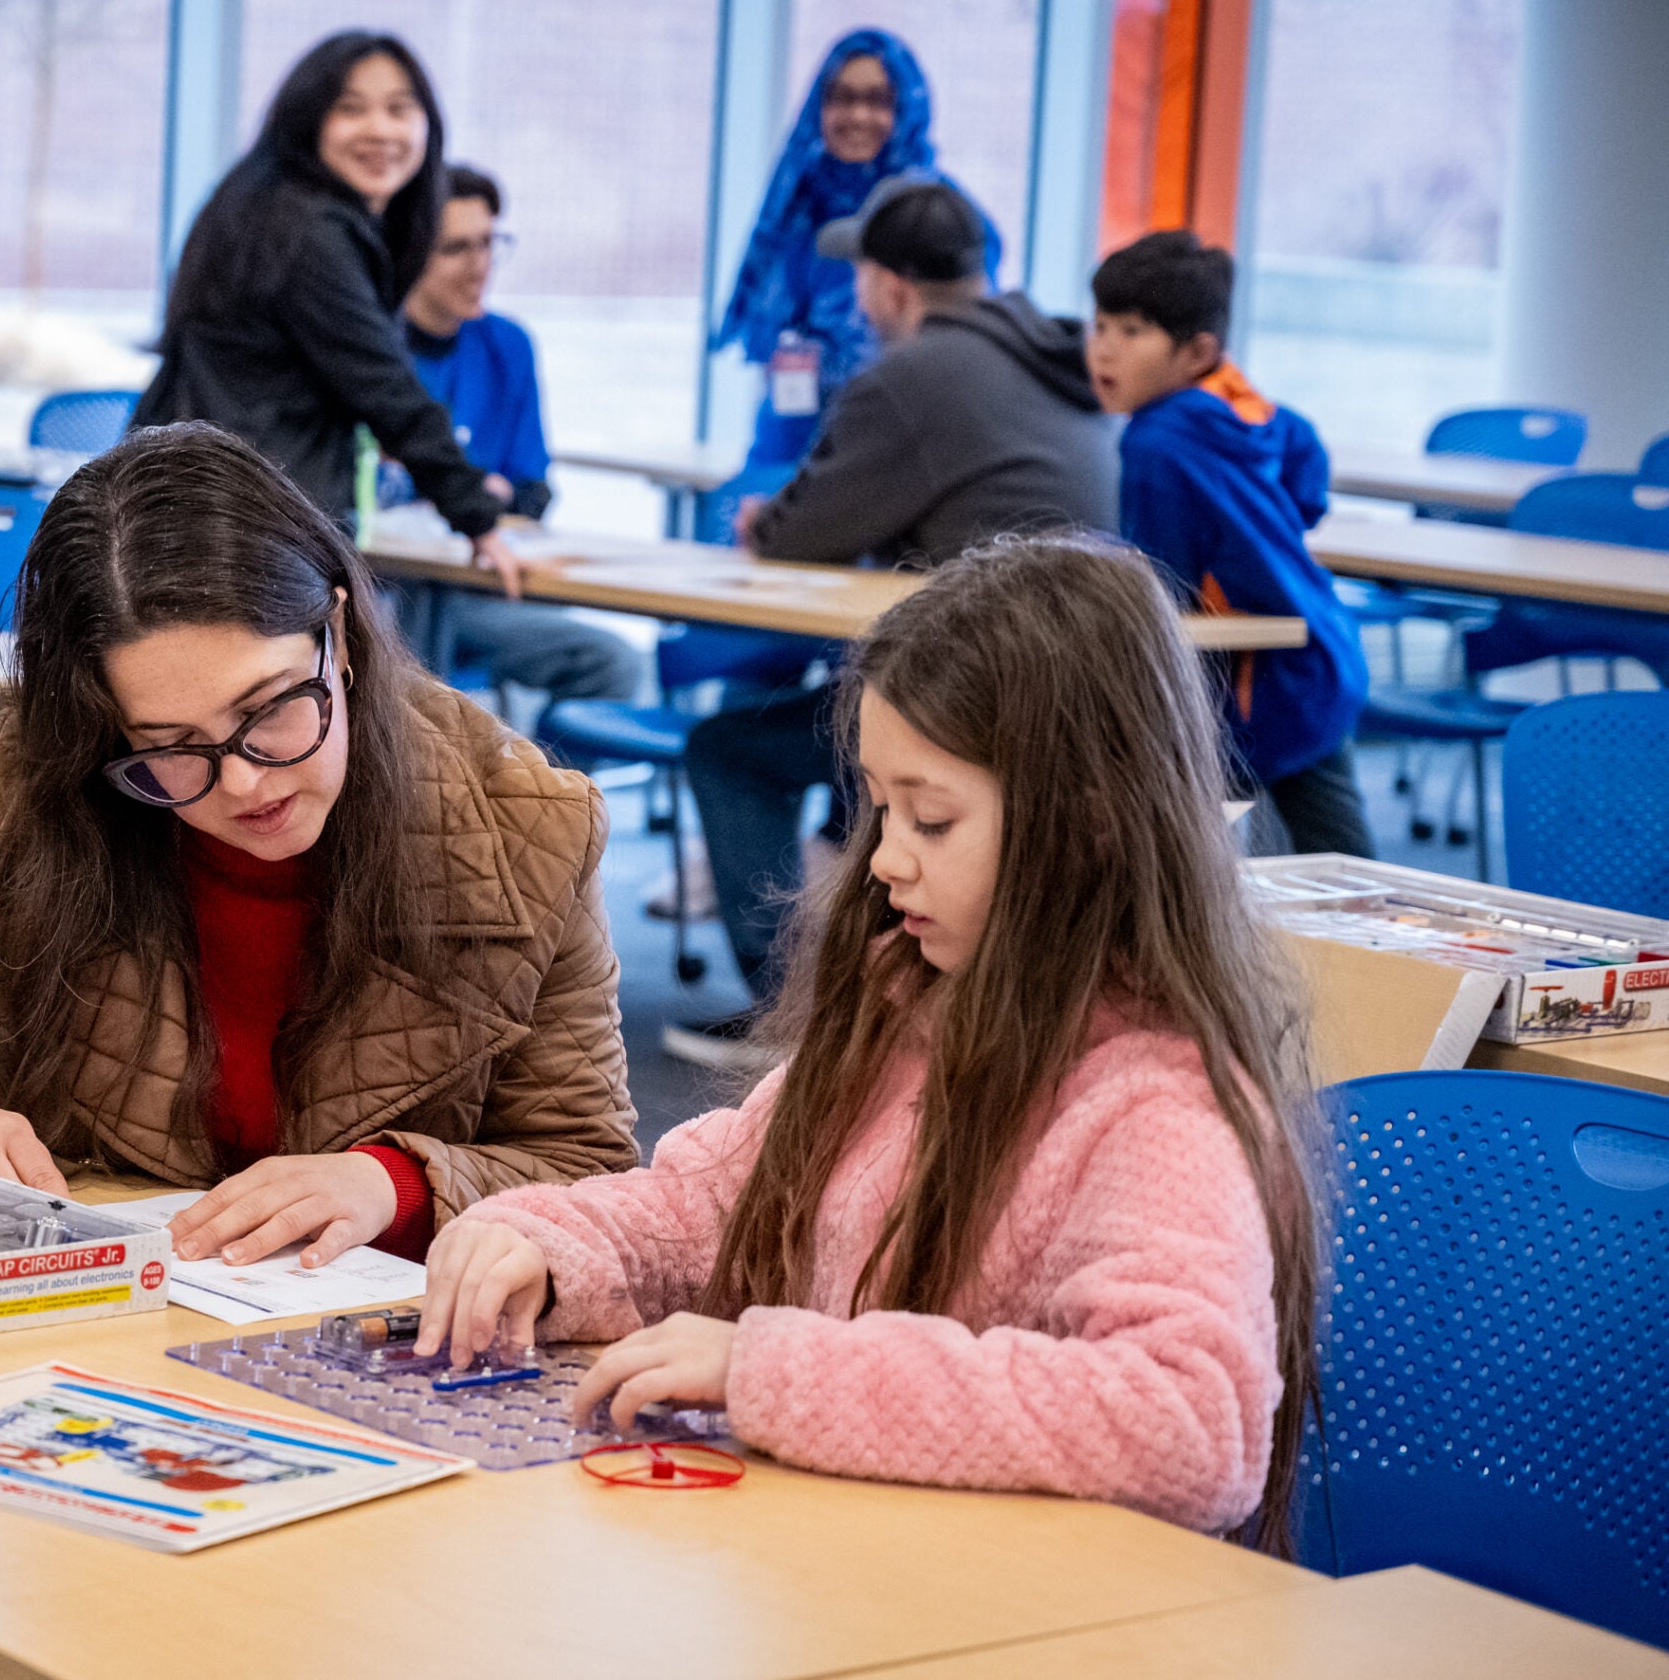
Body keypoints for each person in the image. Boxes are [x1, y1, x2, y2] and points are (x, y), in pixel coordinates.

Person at [419, 536, 1320, 1550]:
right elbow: (711, 1204)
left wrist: (768, 1372)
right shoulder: (910, 1007)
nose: (884, 858)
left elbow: (1188, 1426)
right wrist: (542, 1246)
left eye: (931, 820)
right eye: (880, 808)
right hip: (851, 1566)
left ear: (1089, 825)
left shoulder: (1159, 1100)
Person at [0, 424, 638, 1274]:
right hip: (65, 1330)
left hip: (371, 1353)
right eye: (167, 749)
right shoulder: (26, 792)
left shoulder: (525, 825)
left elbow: (591, 1173)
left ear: (337, 630)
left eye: (270, 710)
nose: (243, 782)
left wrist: (393, 1185)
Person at [667, 176, 1118, 1066]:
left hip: (977, 692)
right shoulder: (1057, 357)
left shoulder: (915, 374)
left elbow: (802, 529)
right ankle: (877, 987)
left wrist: (769, 521)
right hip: (1070, 685)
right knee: (846, 735)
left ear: (889, 286)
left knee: (732, 747)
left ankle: (788, 1016)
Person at [132, 32, 524, 597]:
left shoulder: (261, 203)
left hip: (201, 506)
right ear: (309, 120)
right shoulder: (309, 230)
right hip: (250, 527)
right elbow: (387, 390)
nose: (381, 130)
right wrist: (478, 519)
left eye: (399, 109)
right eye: (351, 108)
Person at [1087, 230, 1375, 858]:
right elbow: (1304, 454)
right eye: (1101, 325)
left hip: (1253, 687)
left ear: (1197, 351)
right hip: (1319, 651)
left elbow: (1159, 586)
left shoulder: (1156, 440)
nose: (1104, 350)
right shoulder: (1242, 402)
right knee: (1341, 858)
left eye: (1132, 332)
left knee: (1183, 848)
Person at [391, 162, 643, 704]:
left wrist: (477, 497)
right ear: (409, 252)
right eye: (456, 249)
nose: (479, 266)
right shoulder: (370, 351)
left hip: (479, 588)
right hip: (387, 593)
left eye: (489, 244)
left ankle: (552, 793)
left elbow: (531, 491)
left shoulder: (508, 346)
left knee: (613, 664)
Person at [712, 29, 1002, 470]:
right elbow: (776, 337)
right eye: (841, 98)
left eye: (878, 100)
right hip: (792, 435)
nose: (858, 115)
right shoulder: (798, 202)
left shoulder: (937, 213)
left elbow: (963, 343)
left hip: (902, 439)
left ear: (906, 110)